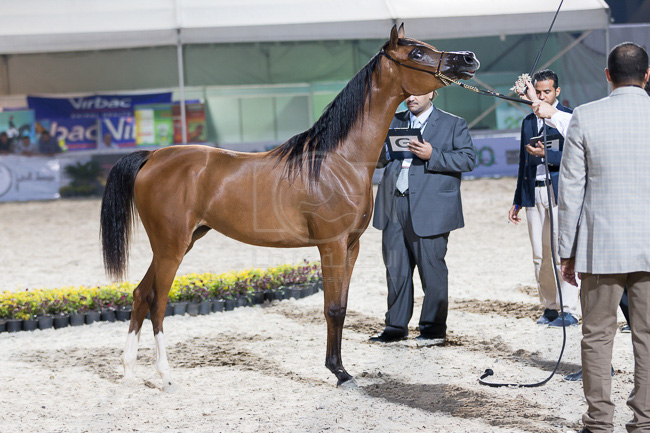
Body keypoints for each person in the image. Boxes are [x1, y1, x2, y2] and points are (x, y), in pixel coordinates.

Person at [558, 42, 650, 433]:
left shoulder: (585, 116)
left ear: (608, 75)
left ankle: (599, 422)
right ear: (647, 75)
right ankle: (645, 421)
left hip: (601, 248)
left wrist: (566, 252)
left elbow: (570, 192)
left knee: (597, 336)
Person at [370, 91, 476, 344]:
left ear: (432, 92)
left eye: (418, 92)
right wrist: (385, 150)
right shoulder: (394, 120)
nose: (411, 97)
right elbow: (378, 160)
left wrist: (433, 154)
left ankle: (432, 329)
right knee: (396, 270)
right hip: (393, 205)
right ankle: (395, 327)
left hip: (431, 207)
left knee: (432, 271)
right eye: (408, 93)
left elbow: (468, 159)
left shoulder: (453, 123)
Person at [508, 69, 580, 328]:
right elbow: (522, 162)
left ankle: (569, 309)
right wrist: (518, 199)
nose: (541, 96)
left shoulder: (569, 117)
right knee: (539, 254)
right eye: (537, 92)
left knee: (563, 252)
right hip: (533, 191)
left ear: (557, 91)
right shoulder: (528, 121)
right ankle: (550, 306)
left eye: (547, 92)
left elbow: (576, 157)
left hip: (560, 192)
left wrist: (546, 156)